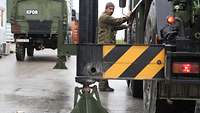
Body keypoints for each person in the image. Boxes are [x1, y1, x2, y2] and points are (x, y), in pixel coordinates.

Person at [98, 2, 130, 92]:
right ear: (106, 8)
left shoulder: (107, 19)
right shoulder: (104, 17)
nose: (111, 11)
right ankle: (102, 86)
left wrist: (125, 26)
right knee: (104, 65)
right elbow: (116, 21)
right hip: (105, 43)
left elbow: (114, 27)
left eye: (113, 9)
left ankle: (104, 85)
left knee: (105, 65)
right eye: (110, 9)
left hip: (107, 43)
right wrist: (127, 17)